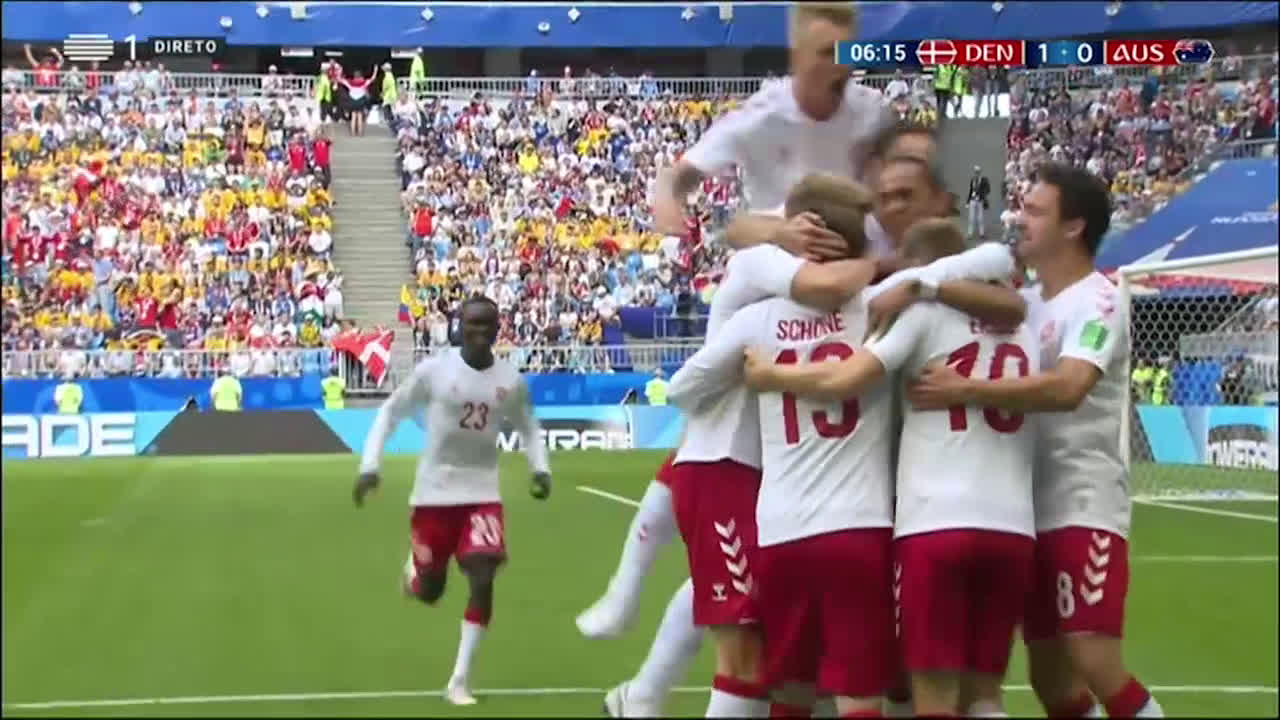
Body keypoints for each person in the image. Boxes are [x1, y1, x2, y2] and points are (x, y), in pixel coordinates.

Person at [580, 0, 889, 670]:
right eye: (825, 54)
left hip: (825, 276)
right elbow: (692, 184)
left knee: (720, 525)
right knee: (708, 450)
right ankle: (626, 606)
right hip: (784, 274)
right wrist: (671, 199)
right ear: (798, 53)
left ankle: (639, 675)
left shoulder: (874, 113)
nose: (838, 68)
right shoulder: (763, 116)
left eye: (847, 53)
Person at [742, 219, 1036, 717]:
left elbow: (845, 379)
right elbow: (1011, 288)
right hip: (1013, 527)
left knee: (934, 701)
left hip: (935, 525)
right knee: (984, 696)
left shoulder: (921, 317)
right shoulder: (1022, 328)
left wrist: (771, 374)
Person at [907, 164, 1166, 719]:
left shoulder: (1099, 301)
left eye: (1035, 211)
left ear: (1073, 227)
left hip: (1081, 503)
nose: (1018, 219)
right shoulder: (1023, 302)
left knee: (1094, 657)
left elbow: (1070, 387)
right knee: (1052, 681)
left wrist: (966, 388)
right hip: (1021, 511)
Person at [354, 295, 552, 707]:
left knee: (483, 576)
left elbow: (529, 427)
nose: (479, 331)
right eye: (472, 323)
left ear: (497, 329)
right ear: (460, 326)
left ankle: (459, 680)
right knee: (431, 590)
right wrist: (370, 465)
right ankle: (416, 574)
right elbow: (390, 412)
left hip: (482, 494)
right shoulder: (435, 372)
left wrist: (540, 468)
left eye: (487, 324)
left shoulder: (510, 380)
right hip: (433, 494)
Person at [967, 165, 991, 240]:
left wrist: (982, 194)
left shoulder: (984, 180)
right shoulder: (972, 180)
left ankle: (982, 233)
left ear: (980, 172)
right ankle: (970, 233)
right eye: (975, 172)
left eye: (977, 172)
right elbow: (970, 190)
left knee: (980, 218)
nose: (976, 173)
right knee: (971, 217)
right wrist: (968, 201)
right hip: (972, 200)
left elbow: (988, 189)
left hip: (980, 200)